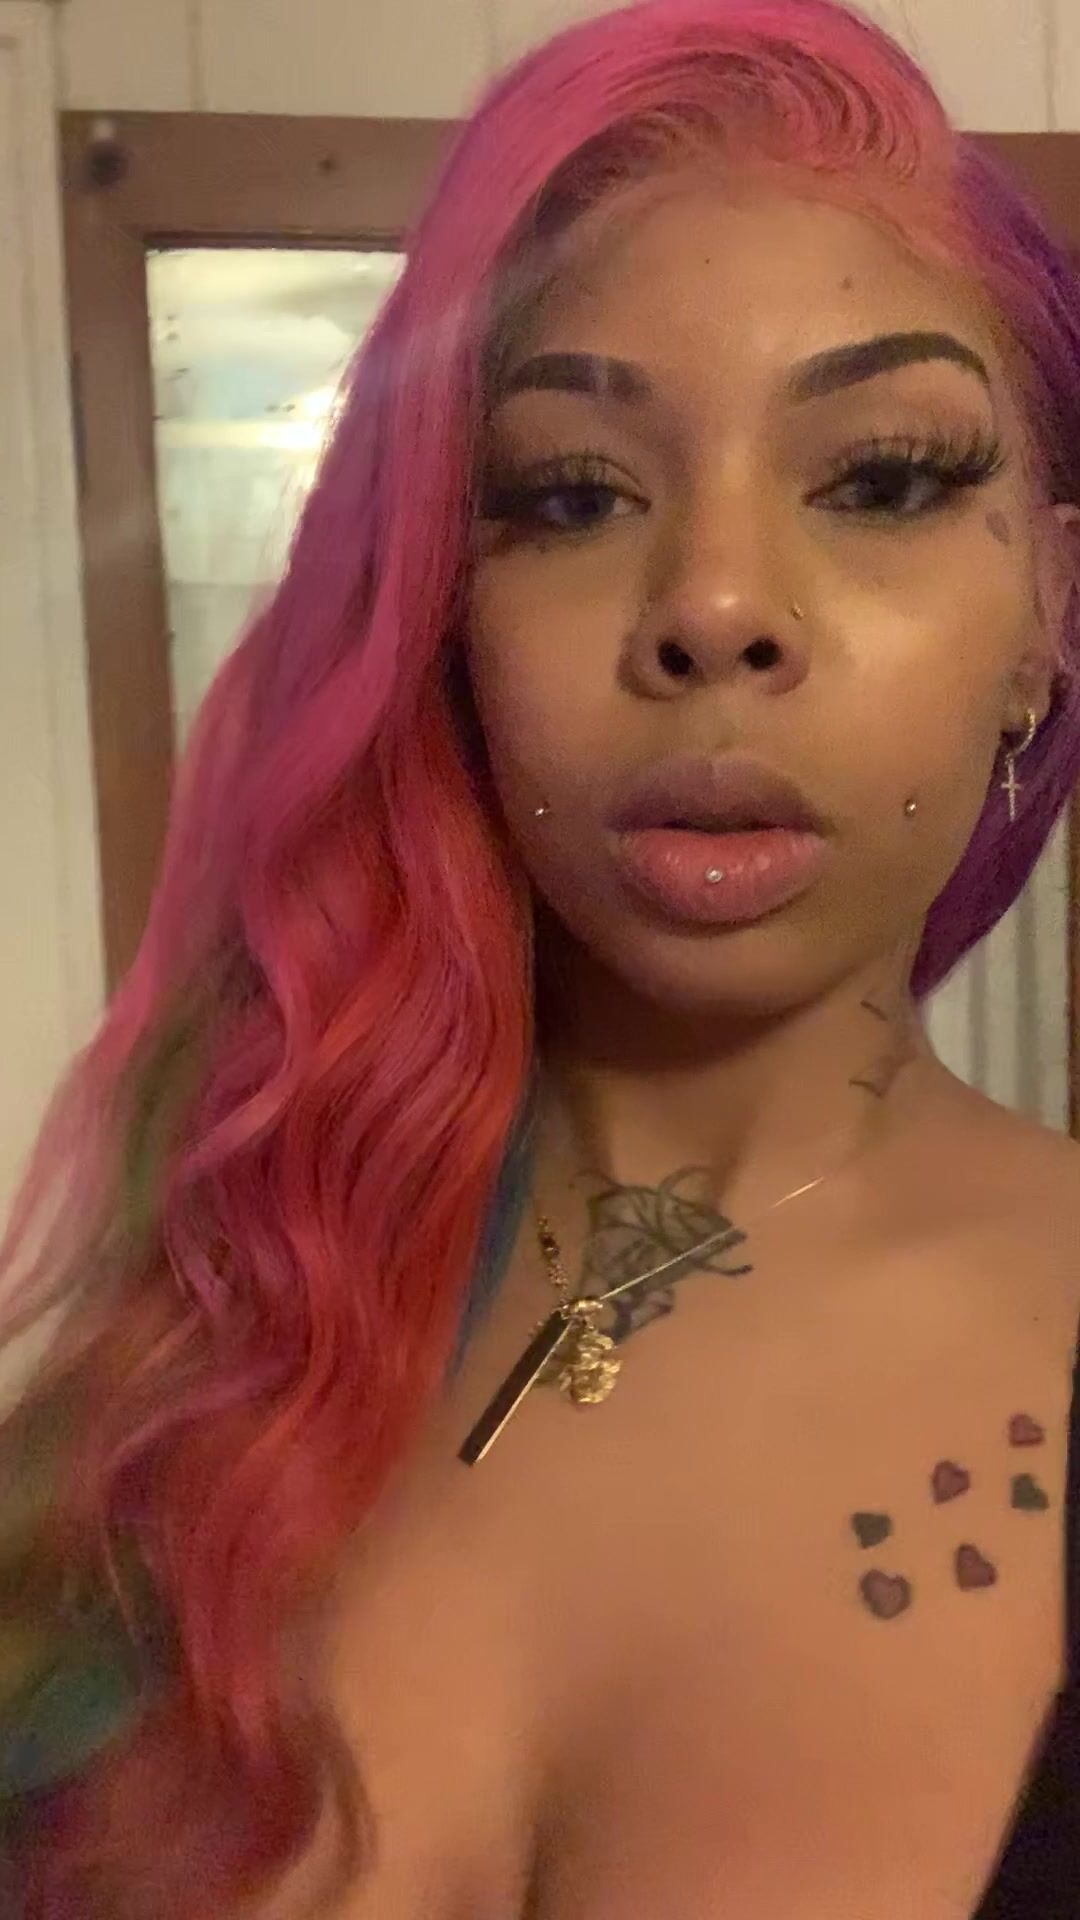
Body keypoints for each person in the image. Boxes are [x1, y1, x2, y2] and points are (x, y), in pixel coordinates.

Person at [3, 0, 1080, 1912]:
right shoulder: (204, 1331)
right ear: (443, 618)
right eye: (571, 494)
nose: (715, 604)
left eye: (883, 477)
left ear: (1048, 619)